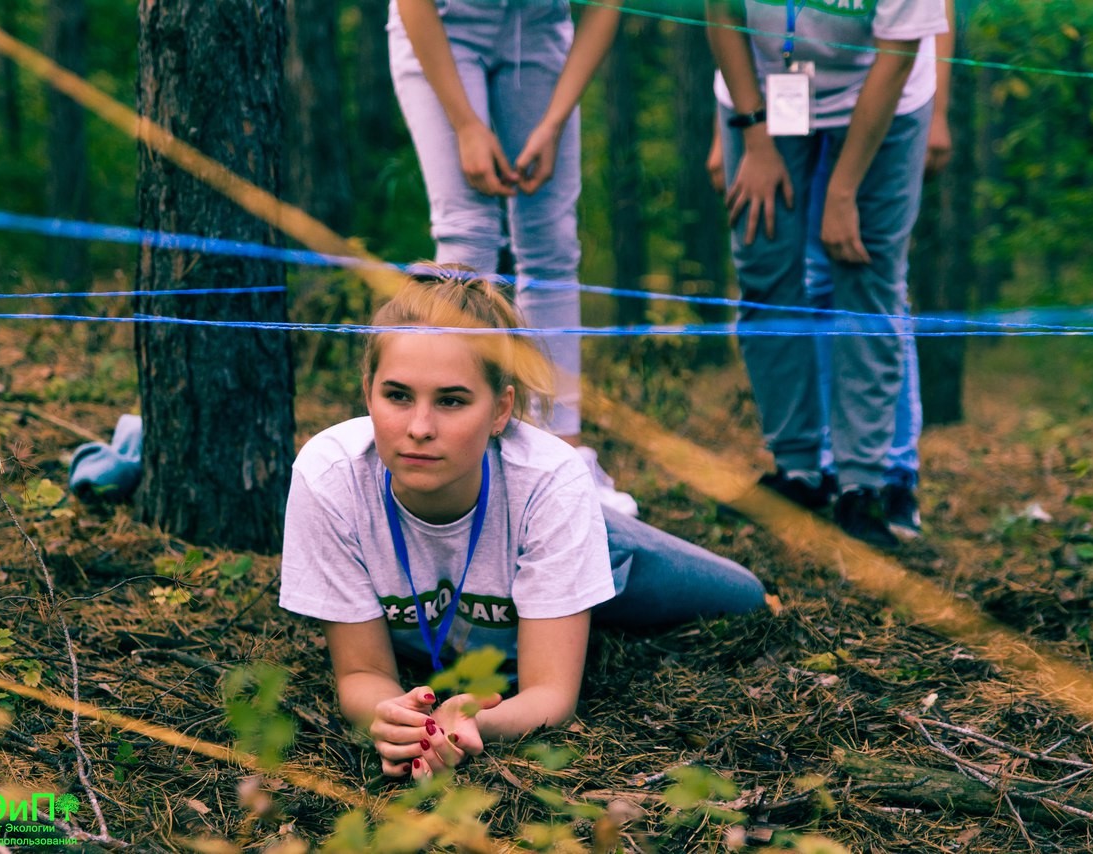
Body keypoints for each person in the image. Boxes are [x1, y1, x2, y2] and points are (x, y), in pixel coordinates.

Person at [278, 265, 765, 780]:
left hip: (570, 528)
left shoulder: (550, 481)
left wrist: (482, 723)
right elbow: (362, 673)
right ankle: (565, 594)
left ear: (500, 410)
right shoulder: (330, 478)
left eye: (451, 400)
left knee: (743, 598)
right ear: (367, 392)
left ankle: (589, 564)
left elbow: (551, 693)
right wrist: (394, 720)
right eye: (397, 395)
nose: (419, 428)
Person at [706, 0, 948, 548]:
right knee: (765, 272)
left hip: (882, 98)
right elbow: (719, 12)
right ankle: (798, 472)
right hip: (764, 97)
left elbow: (900, 48)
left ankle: (864, 485)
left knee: (864, 272)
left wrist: (843, 190)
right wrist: (754, 137)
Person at [388, 0, 637, 517]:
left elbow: (604, 8)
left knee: (551, 246)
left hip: (540, 35)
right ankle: (460, 459)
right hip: (443, 27)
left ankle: (565, 462)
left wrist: (552, 123)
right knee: (467, 239)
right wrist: (466, 125)